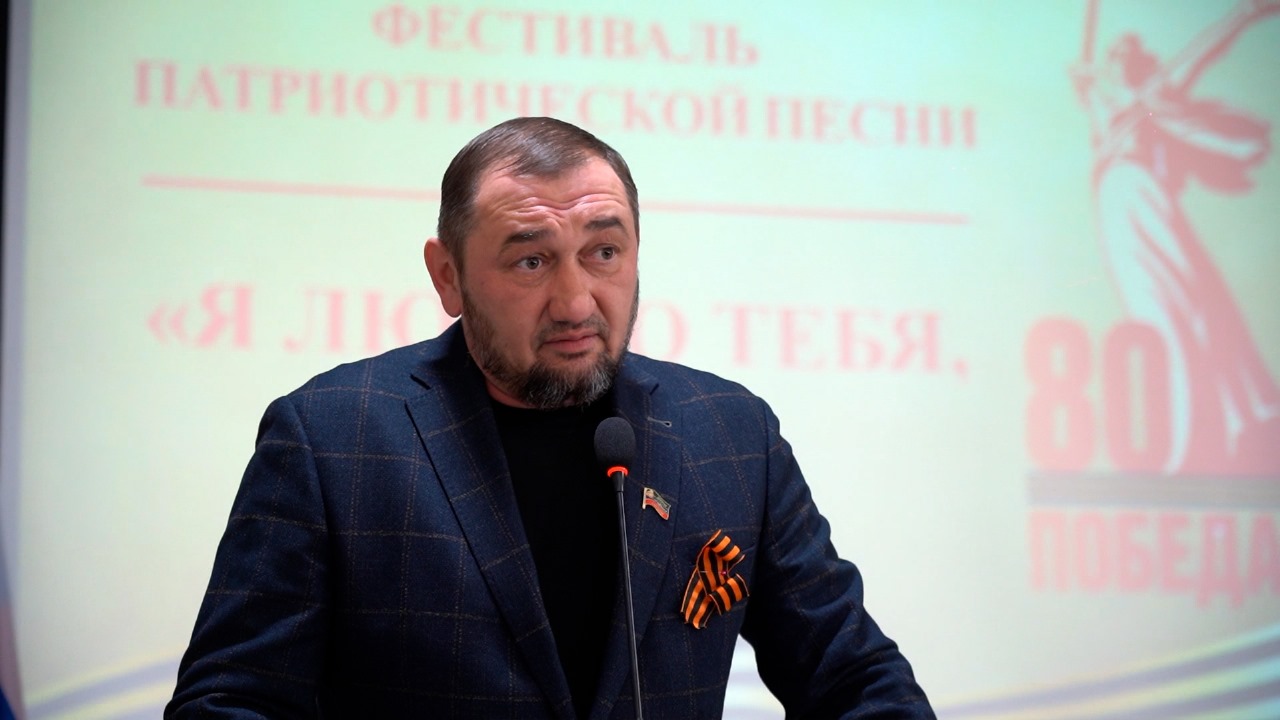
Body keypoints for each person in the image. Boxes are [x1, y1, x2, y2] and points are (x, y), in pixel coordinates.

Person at [167, 117, 934, 718]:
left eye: (604, 253)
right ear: (448, 275)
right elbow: (234, 701)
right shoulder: (333, 439)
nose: (575, 302)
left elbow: (853, 679)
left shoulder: (731, 434)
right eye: (531, 261)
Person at [1070, 0, 1280, 475]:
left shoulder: (1152, 97)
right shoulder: (1102, 102)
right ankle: (1192, 439)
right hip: (1115, 204)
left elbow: (1201, 51)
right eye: (1114, 51)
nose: (1118, 54)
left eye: (1126, 50)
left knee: (1186, 308)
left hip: (1140, 194)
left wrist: (1244, 13)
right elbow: (1083, 72)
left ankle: (1210, 434)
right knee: (1154, 312)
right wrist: (1086, 80)